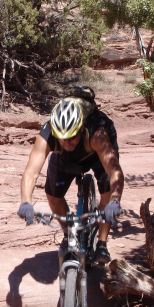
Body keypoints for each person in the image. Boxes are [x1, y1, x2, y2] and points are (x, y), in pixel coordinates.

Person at [17, 86, 124, 264]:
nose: (67, 143)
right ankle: (69, 234)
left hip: (94, 154)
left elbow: (115, 172)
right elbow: (31, 171)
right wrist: (26, 202)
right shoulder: (48, 133)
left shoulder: (97, 133)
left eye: (72, 137)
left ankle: (102, 243)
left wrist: (114, 200)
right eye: (62, 139)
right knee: (52, 195)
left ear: (81, 128)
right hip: (65, 160)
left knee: (106, 190)